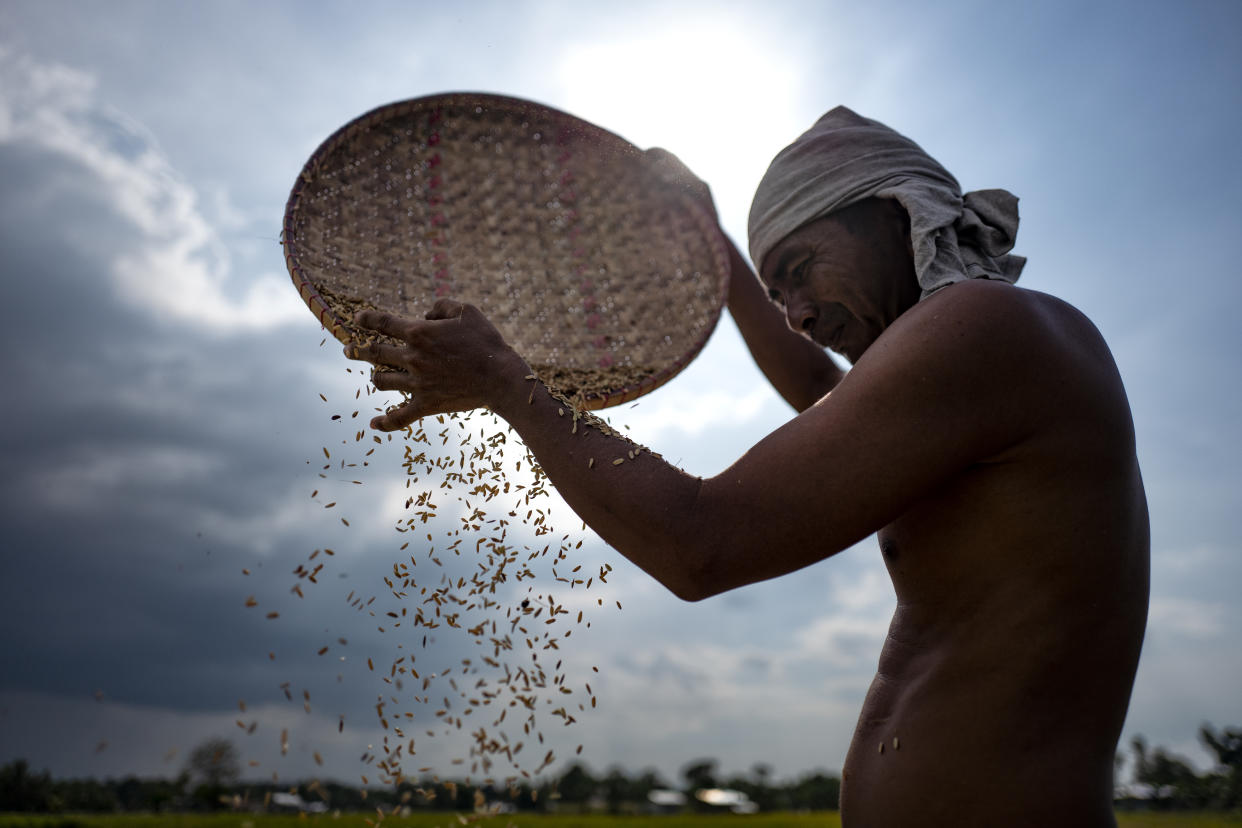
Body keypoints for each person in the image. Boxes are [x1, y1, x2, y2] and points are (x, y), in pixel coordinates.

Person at [345, 106, 1149, 827]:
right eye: (777, 292)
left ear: (889, 212)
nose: (795, 317)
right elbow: (816, 389)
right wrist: (713, 240)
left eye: (800, 270)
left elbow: (701, 543)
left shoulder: (984, 325)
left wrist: (508, 385)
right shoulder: (967, 365)